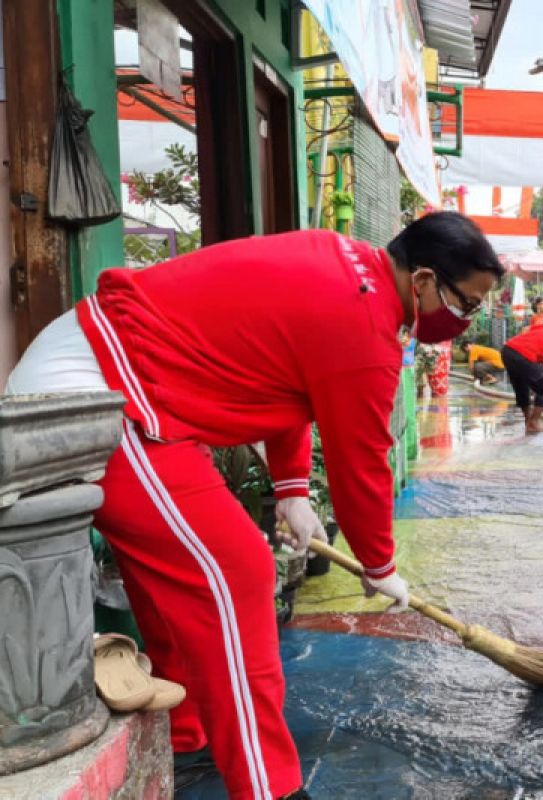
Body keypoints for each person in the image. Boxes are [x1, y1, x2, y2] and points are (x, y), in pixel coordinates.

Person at [3, 212, 503, 800]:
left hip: (108, 369)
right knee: (236, 572)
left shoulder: (345, 265)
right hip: (99, 397)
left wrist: (292, 489)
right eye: (465, 304)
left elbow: (284, 377)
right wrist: (379, 564)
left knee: (183, 577)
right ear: (422, 280)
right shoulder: (364, 328)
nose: (464, 323)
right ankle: (269, 787)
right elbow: (361, 459)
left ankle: (187, 739)